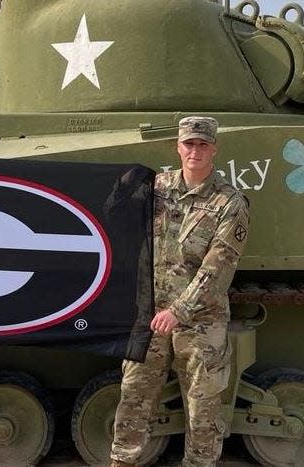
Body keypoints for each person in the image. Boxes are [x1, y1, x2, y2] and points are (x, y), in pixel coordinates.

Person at [109, 116, 250, 467]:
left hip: (200, 322)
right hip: (151, 317)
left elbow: (218, 268)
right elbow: (114, 221)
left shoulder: (229, 203)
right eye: (189, 143)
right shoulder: (157, 187)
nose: (195, 151)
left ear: (214, 149)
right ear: (178, 146)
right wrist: (119, 190)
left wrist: (180, 311)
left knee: (203, 411)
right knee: (132, 399)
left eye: (203, 144)